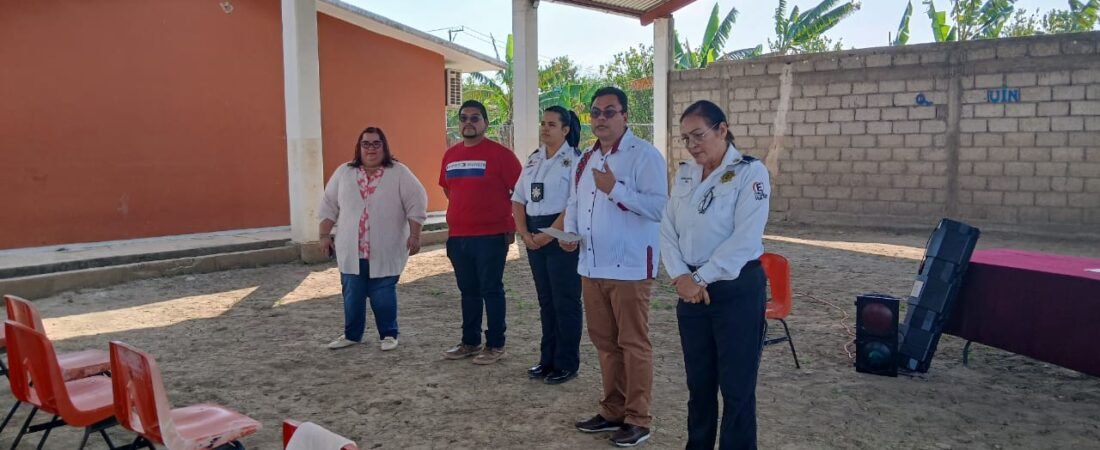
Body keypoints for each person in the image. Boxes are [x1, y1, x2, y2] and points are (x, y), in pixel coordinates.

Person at [660, 100, 771, 450]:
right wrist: (680, 277)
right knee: (700, 384)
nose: (692, 145)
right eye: (685, 138)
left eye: (698, 136)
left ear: (722, 130)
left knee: (737, 388)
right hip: (690, 291)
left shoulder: (750, 173)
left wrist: (701, 278)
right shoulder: (686, 173)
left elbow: (745, 238)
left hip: (734, 289)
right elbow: (667, 228)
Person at [563, 87, 668, 447]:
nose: (601, 119)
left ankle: (639, 419)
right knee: (605, 344)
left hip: (630, 268)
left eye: (610, 112)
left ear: (625, 115)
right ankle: (612, 411)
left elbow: (658, 208)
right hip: (591, 265)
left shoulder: (644, 156)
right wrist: (569, 233)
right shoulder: (587, 157)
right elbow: (576, 202)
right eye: (596, 113)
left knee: (633, 344)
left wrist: (615, 189)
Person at [319, 126, 428, 352]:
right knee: (352, 293)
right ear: (359, 148)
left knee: (383, 294)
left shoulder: (398, 172)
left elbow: (416, 201)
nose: (371, 149)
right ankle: (352, 334)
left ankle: (388, 334)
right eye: (366, 144)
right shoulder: (344, 173)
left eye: (376, 143)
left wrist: (415, 234)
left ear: (384, 146)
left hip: (386, 247)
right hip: (351, 249)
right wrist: (323, 235)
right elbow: (328, 204)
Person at [439, 100, 522, 365]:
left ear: (485, 123)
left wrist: (510, 225)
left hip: (491, 237)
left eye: (475, 118)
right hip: (459, 237)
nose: (469, 122)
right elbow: (448, 189)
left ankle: (496, 345)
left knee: (491, 290)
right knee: (468, 291)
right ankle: (470, 342)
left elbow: (519, 193)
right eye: (464, 118)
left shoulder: (501, 155)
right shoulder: (450, 155)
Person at [512, 106, 583, 385]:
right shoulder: (533, 159)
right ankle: (547, 359)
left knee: (565, 300)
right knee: (546, 300)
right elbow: (518, 198)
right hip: (533, 235)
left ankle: (566, 362)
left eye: (552, 124)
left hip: (561, 234)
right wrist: (524, 234)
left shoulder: (575, 159)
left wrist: (550, 234)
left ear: (565, 130)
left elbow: (574, 202)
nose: (545, 128)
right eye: (543, 123)